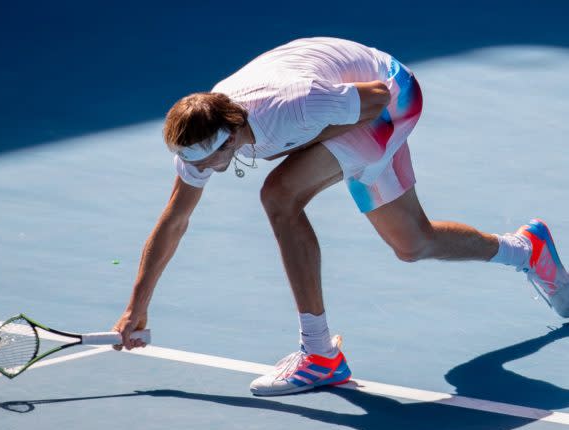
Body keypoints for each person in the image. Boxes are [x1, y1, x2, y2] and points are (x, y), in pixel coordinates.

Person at [111, 37, 569, 396]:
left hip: (388, 95)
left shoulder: (296, 106)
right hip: (335, 90)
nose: (202, 170)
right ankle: (527, 250)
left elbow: (378, 97)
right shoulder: (202, 137)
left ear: (231, 136)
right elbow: (175, 220)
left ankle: (320, 354)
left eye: (211, 160)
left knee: (279, 194)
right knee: (414, 244)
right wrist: (138, 304)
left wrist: (315, 142)